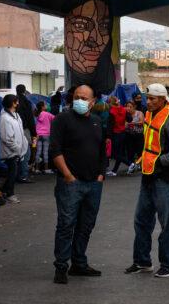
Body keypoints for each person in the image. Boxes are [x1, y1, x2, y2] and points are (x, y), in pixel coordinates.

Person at [125, 83, 169, 278]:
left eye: (152, 99)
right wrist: (141, 161)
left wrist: (159, 162)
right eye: (147, 98)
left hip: (165, 178)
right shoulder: (150, 113)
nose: (148, 101)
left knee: (167, 223)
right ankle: (142, 261)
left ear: (162, 99)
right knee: (141, 220)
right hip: (149, 176)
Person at [49, 85, 105, 284]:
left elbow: (102, 151)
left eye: (83, 97)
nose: (79, 100)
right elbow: (55, 150)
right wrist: (68, 175)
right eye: (76, 97)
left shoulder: (97, 122)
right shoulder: (62, 119)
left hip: (93, 184)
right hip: (70, 183)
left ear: (93, 101)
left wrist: (100, 175)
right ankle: (61, 267)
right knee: (66, 225)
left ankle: (79, 264)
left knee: (86, 226)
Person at [0, 94, 28, 204]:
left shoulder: (16, 116)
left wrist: (22, 147)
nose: (18, 104)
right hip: (10, 151)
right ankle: (9, 194)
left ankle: (3, 191)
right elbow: (7, 138)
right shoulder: (5, 118)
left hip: (17, 150)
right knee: (12, 173)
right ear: (12, 103)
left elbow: (20, 132)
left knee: (13, 172)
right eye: (16, 102)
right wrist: (17, 149)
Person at [15, 84, 36, 183]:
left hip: (14, 130)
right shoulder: (27, 102)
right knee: (26, 153)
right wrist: (34, 132)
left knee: (16, 154)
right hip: (24, 130)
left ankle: (16, 174)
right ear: (24, 91)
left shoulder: (13, 101)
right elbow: (30, 118)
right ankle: (23, 175)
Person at [107, 96, 127, 176]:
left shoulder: (112, 112)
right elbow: (129, 119)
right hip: (123, 133)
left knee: (115, 154)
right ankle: (114, 171)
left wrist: (108, 136)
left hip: (116, 133)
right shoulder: (123, 109)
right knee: (119, 153)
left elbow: (110, 125)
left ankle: (130, 164)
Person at [35, 101, 55, 175]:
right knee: (45, 152)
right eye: (45, 105)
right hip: (46, 135)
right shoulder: (47, 114)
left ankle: (37, 169)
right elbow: (55, 119)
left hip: (38, 135)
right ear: (43, 107)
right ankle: (46, 169)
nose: (47, 105)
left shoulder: (38, 114)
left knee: (38, 151)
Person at [125, 101, 144, 174]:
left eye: (130, 106)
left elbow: (142, 122)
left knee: (140, 150)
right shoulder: (126, 114)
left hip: (138, 134)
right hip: (129, 135)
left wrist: (132, 123)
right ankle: (131, 166)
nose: (128, 108)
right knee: (130, 151)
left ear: (134, 107)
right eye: (127, 106)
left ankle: (140, 165)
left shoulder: (139, 113)